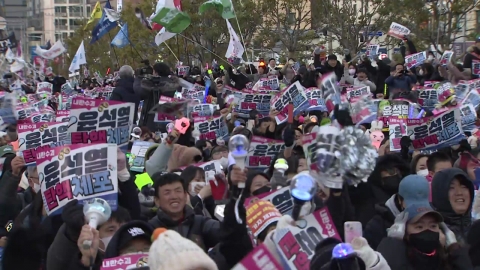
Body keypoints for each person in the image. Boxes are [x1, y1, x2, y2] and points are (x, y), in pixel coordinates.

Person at [149, 173, 220, 251]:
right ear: (157, 201)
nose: (174, 197)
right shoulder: (150, 228)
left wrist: (225, 201)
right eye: (167, 193)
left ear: (186, 196)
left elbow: (227, 232)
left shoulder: (200, 223)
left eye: (178, 191)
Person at [364, 175, 429, 250]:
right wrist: (392, 242)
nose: (417, 209)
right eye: (412, 204)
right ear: (399, 200)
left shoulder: (431, 218)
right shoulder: (378, 225)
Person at [431, 168, 474, 244]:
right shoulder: (434, 232)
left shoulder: (476, 228)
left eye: (464, 187)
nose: (459, 193)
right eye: (451, 188)